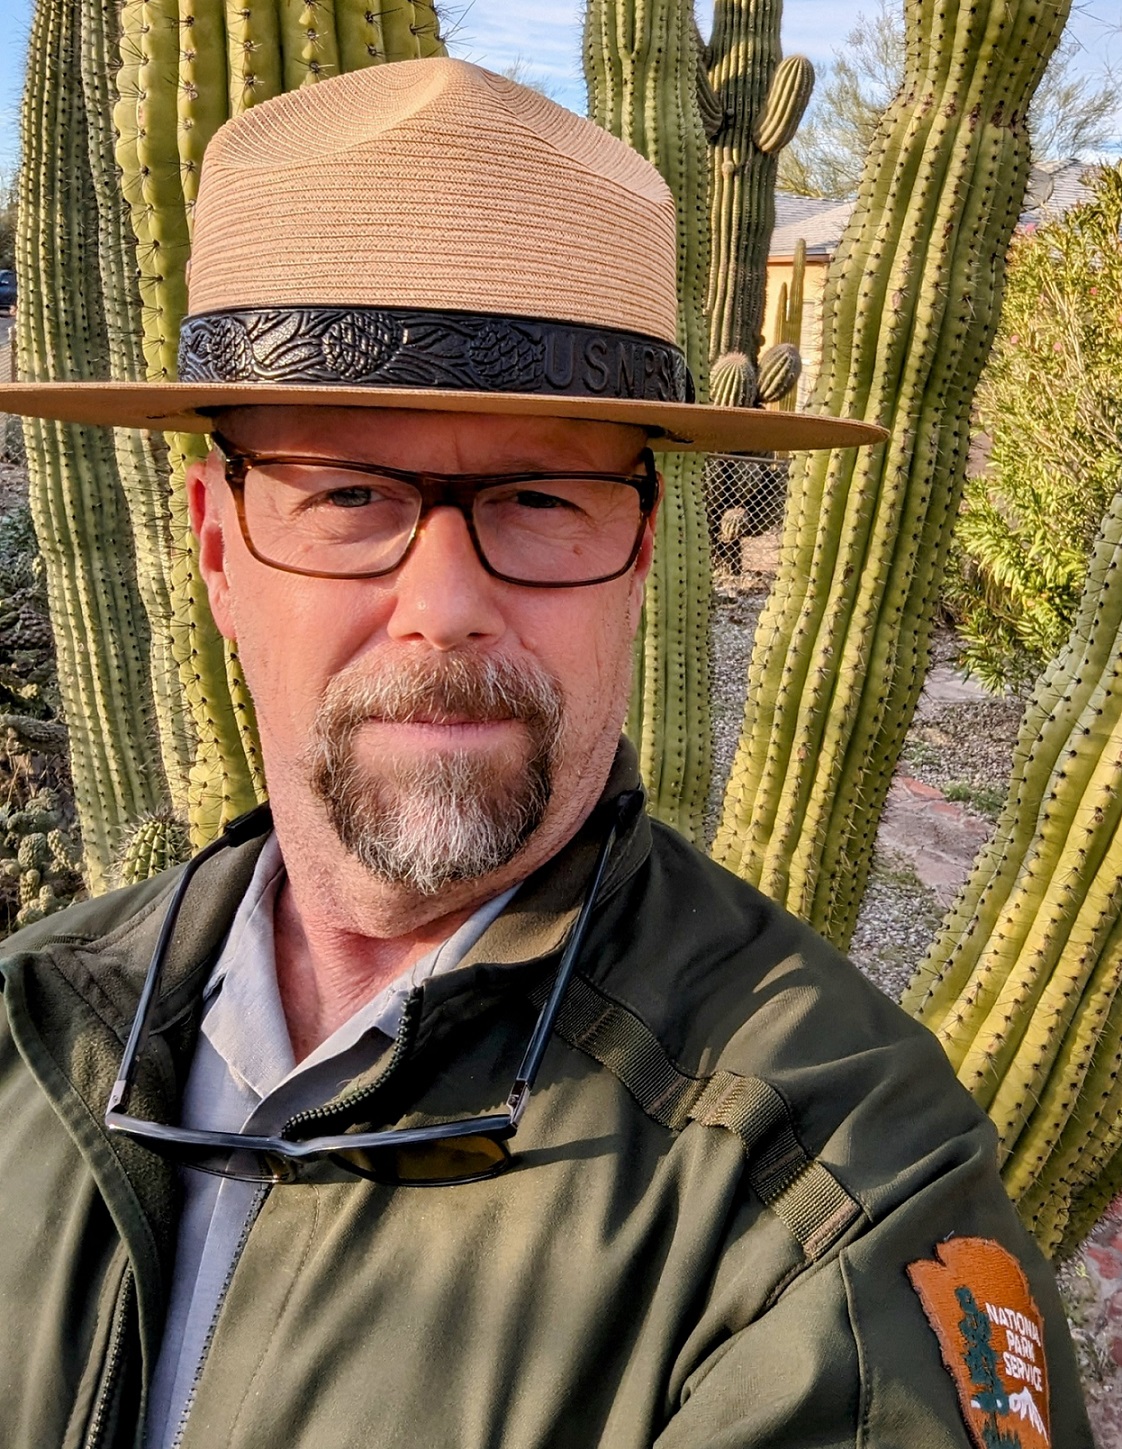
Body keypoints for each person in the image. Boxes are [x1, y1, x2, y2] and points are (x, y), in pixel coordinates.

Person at [0, 57, 1092, 1449]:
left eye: (538, 495)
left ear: (640, 556)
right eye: (348, 492)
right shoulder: (28, 1035)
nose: (445, 602)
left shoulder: (825, 1203)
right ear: (219, 551)